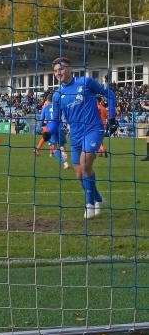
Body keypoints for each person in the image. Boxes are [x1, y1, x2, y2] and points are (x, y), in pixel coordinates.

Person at [47, 57, 117, 219]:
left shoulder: (86, 82)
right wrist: (47, 133)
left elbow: (110, 94)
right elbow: (55, 121)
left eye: (61, 69)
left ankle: (89, 204)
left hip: (94, 129)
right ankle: (98, 199)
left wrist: (112, 117)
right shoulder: (57, 96)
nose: (59, 73)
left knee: (86, 163)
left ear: (70, 69)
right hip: (76, 136)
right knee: (80, 174)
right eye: (56, 71)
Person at [41, 93, 69, 170]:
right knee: (62, 144)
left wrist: (43, 125)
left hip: (51, 127)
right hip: (59, 126)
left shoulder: (45, 108)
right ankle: (63, 150)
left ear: (47, 100)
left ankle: (65, 163)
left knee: (54, 148)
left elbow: (41, 120)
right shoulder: (58, 106)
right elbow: (64, 115)